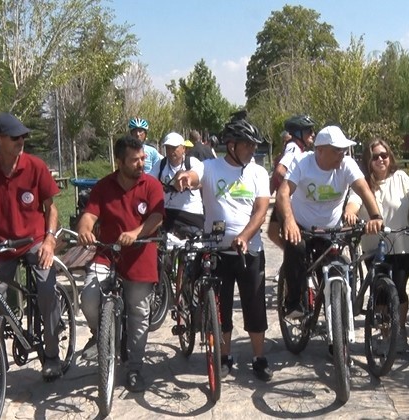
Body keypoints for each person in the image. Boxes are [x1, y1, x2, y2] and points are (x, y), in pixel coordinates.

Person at [175, 119, 273, 381]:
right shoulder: (210, 167)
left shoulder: (258, 173)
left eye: (254, 145)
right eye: (247, 145)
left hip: (249, 251)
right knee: (222, 308)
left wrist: (243, 236)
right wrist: (186, 177)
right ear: (231, 145)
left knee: (255, 307)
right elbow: (195, 176)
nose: (253, 150)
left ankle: (258, 357)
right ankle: (224, 355)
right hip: (216, 252)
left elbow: (261, 211)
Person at [0, 113, 62, 380]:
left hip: (35, 242)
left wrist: (49, 240)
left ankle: (53, 355)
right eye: (14, 137)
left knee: (47, 289)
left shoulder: (36, 166)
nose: (21, 141)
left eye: (23, 136)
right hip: (2, 246)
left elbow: (51, 208)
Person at [77, 135, 165, 392]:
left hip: (140, 255)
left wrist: (136, 233)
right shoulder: (104, 187)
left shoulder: (151, 185)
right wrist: (85, 229)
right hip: (107, 254)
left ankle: (135, 367)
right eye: (135, 160)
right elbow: (89, 215)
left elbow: (157, 216)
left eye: (143, 158)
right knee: (89, 298)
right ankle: (102, 334)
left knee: (139, 312)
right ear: (119, 162)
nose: (141, 164)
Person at [277, 125, 383, 320]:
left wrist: (376, 216)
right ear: (320, 150)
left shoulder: (347, 164)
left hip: (330, 229)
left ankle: (336, 320)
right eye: (336, 150)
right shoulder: (302, 162)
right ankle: (293, 302)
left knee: (337, 268)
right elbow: (283, 193)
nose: (341, 154)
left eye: (343, 150)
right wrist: (289, 221)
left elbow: (364, 189)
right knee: (296, 248)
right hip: (302, 226)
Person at [343, 138, 409, 352]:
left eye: (384, 155)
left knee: (399, 290)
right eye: (375, 156)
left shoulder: (400, 178)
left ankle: (398, 333)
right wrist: (351, 215)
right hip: (374, 247)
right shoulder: (362, 183)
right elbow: (353, 205)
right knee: (380, 292)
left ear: (390, 157)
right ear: (368, 161)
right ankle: (384, 334)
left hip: (402, 244)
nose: (381, 159)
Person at [267, 114, 317, 249]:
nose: (313, 134)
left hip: (284, 200)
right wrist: (296, 186)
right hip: (288, 201)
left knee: (272, 233)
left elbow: (274, 177)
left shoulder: (295, 147)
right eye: (309, 131)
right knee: (281, 235)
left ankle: (292, 259)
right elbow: (279, 171)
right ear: (298, 133)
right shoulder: (294, 148)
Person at [150, 132, 204, 231]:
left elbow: (196, 177)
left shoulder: (192, 162)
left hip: (191, 213)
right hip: (168, 212)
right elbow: (149, 183)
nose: (170, 151)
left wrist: (187, 177)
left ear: (183, 148)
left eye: (174, 148)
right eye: (168, 148)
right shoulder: (161, 164)